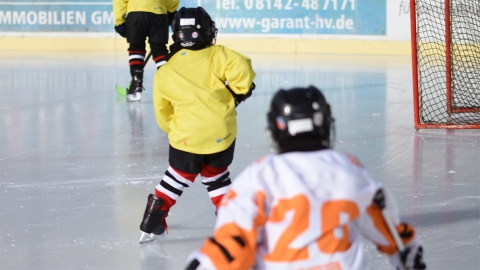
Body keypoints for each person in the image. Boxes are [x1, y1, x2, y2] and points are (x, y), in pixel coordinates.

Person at [184, 86, 426, 270]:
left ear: (276, 131)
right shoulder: (351, 170)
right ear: (325, 126)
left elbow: (232, 246)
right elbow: (394, 234)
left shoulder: (259, 176)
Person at [138, 7, 256, 244]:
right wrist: (234, 95)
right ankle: (230, 224)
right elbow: (244, 74)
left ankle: (152, 219)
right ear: (208, 32)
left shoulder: (166, 71)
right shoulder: (218, 54)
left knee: (176, 177)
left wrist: (177, 130)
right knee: (217, 178)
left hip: (185, 139)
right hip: (220, 136)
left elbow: (163, 113)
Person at [113, 0, 179, 102]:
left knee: (136, 47)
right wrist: (170, 11)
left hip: (136, 13)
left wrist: (119, 22)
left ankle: (136, 81)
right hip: (159, 13)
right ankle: (169, 85)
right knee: (159, 50)